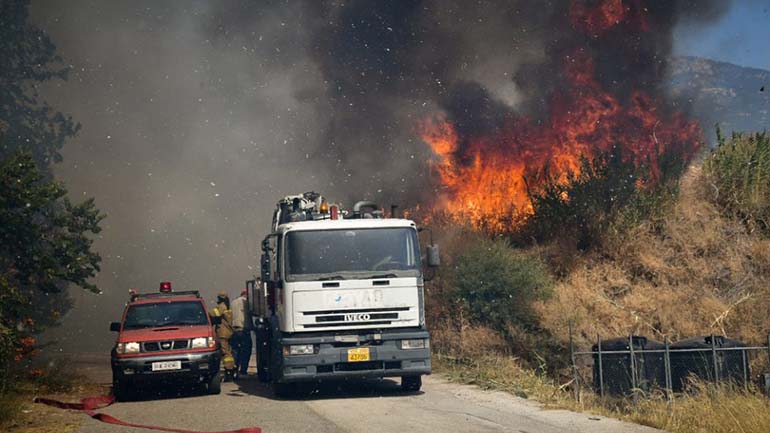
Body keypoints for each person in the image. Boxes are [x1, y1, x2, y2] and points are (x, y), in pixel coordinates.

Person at [212, 292, 235, 382]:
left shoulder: (222, 306)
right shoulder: (228, 306)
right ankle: (231, 369)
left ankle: (229, 370)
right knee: (228, 352)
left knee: (225, 353)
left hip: (223, 333)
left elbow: (214, 314)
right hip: (228, 332)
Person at [231, 288, 253, 378]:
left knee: (235, 351)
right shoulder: (248, 303)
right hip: (244, 331)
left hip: (235, 331)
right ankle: (243, 371)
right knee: (246, 351)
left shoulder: (233, 303)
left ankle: (234, 370)